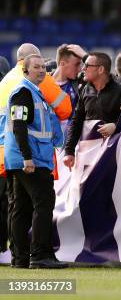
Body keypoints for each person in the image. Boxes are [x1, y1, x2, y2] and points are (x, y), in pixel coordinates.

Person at [4, 54, 66, 268]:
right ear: (26, 70)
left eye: (43, 67)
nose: (42, 71)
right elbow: (19, 126)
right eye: (37, 67)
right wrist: (27, 157)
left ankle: (20, 259)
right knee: (43, 203)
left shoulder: (33, 92)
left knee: (20, 209)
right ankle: (40, 255)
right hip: (31, 159)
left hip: (23, 158)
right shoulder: (24, 92)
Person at [63, 52, 121, 171]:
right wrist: (69, 151)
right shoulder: (85, 90)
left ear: (101, 69)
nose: (83, 69)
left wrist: (116, 127)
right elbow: (77, 121)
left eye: (87, 66)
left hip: (114, 157)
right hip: (88, 158)